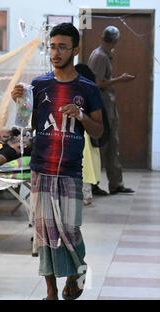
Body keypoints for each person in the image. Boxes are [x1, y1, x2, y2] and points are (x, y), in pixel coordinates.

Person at [12, 23, 104, 300]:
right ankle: (51, 291)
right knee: (44, 232)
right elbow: (24, 123)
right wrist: (19, 100)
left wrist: (81, 116)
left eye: (63, 47)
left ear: (75, 50)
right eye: (52, 46)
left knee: (69, 228)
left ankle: (76, 272)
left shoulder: (87, 89)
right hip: (41, 168)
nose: (56, 52)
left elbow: (98, 131)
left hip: (70, 171)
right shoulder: (38, 85)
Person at [88, 26, 136, 195]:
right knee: (101, 146)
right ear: (115, 40)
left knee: (112, 145)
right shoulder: (100, 56)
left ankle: (116, 184)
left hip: (108, 106)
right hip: (102, 108)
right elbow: (97, 83)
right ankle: (92, 184)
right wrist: (120, 80)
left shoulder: (103, 54)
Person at [75, 63, 103, 205]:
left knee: (85, 167)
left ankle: (85, 194)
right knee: (87, 167)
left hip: (83, 135)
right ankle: (86, 194)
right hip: (89, 137)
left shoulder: (84, 90)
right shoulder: (91, 90)